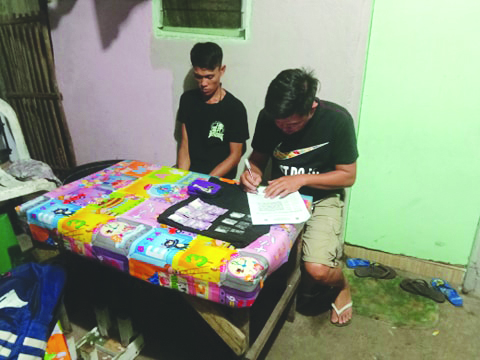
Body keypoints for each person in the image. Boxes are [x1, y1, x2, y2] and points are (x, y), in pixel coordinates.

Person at [240, 68, 358, 326]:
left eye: (291, 124)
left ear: (312, 107)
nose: (283, 129)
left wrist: (302, 179)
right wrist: (251, 173)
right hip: (278, 197)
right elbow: (257, 158)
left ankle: (341, 286)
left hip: (321, 196)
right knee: (238, 246)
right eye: (279, 124)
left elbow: (348, 176)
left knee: (318, 270)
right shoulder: (269, 117)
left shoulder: (337, 120)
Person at [177, 42, 249, 179]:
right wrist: (182, 178)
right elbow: (184, 144)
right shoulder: (187, 100)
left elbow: (235, 156)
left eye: (209, 77)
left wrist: (206, 181)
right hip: (191, 175)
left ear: (222, 70)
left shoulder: (235, 108)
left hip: (220, 180)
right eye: (198, 76)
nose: (203, 83)